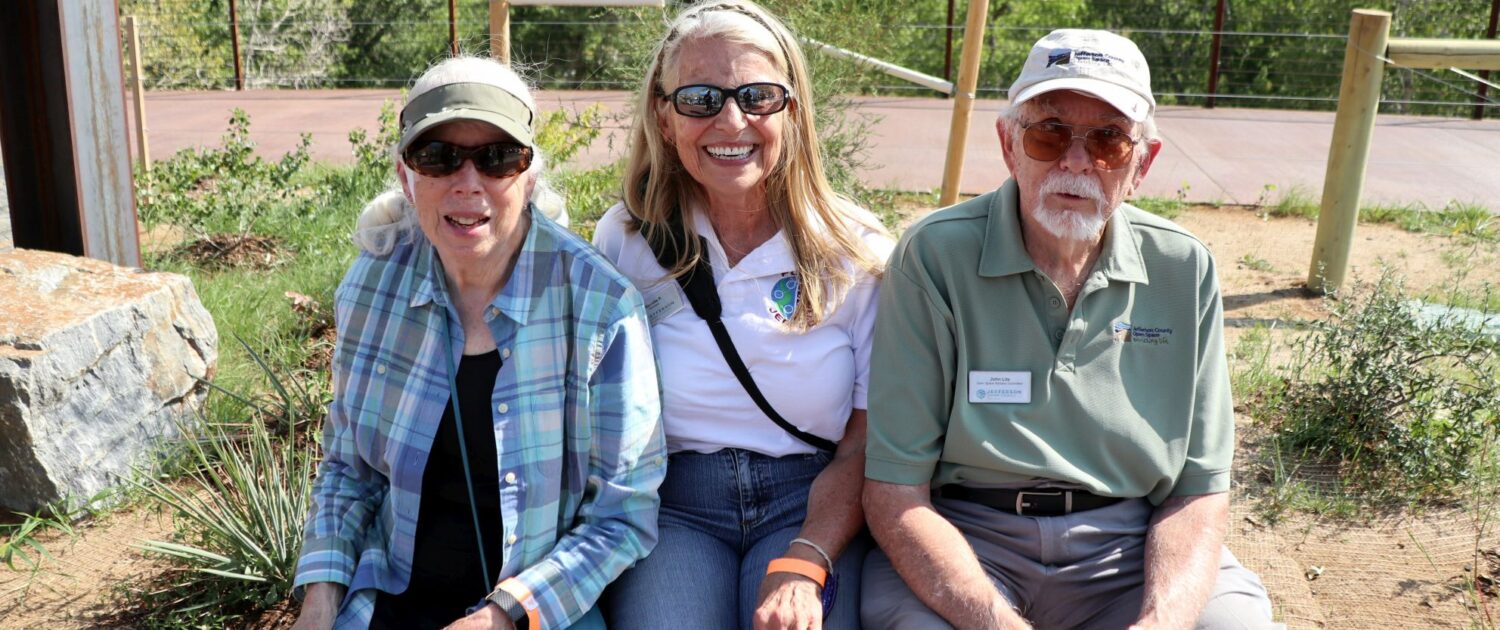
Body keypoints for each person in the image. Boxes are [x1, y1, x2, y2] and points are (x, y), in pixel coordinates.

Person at [860, 29, 1279, 630]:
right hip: (969, 543)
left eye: (1108, 139)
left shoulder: (1182, 267)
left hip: (1131, 548)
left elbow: (1198, 491)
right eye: (1049, 132)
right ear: (1008, 145)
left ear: (1143, 162)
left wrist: (1159, 622)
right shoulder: (934, 256)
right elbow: (894, 491)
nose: (1076, 161)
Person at [289, 56, 666, 630]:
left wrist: (502, 615)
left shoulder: (598, 305)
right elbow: (350, 470)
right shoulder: (371, 289)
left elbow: (623, 514)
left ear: (530, 174)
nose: (468, 184)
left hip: (538, 606)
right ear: (405, 174)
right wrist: (319, 601)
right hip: (393, 595)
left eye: (497, 158)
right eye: (438, 158)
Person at [591, 2, 891, 629]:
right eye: (700, 98)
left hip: (810, 504)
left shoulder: (856, 250)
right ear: (664, 116)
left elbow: (865, 443)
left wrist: (809, 557)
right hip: (673, 506)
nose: (732, 120)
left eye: (758, 96)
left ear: (794, 109)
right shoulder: (627, 240)